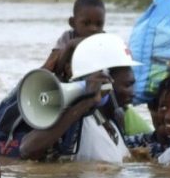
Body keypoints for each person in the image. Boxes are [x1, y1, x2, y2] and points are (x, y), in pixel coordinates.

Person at [15, 33, 139, 163]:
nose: (133, 92)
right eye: (127, 85)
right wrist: (86, 103)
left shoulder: (112, 120)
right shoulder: (76, 118)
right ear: (106, 82)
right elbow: (27, 150)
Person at [41, 0, 105, 73]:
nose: (93, 29)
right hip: (69, 81)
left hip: (96, 80)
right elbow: (55, 69)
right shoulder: (67, 37)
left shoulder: (105, 40)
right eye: (86, 23)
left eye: (99, 24)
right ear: (72, 23)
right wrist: (70, 46)